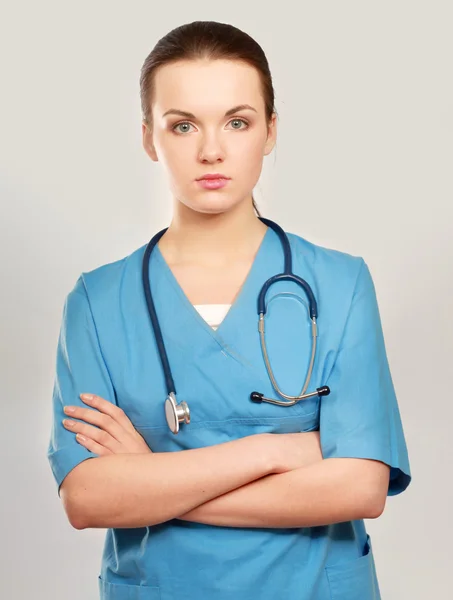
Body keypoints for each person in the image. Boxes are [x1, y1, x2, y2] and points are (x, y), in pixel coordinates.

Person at [47, 20, 411, 600]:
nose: (211, 150)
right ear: (149, 138)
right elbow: (89, 498)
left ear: (269, 131)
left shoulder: (341, 285)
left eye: (237, 122)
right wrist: (275, 450)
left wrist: (153, 481)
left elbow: (360, 489)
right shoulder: (97, 302)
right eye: (183, 125)